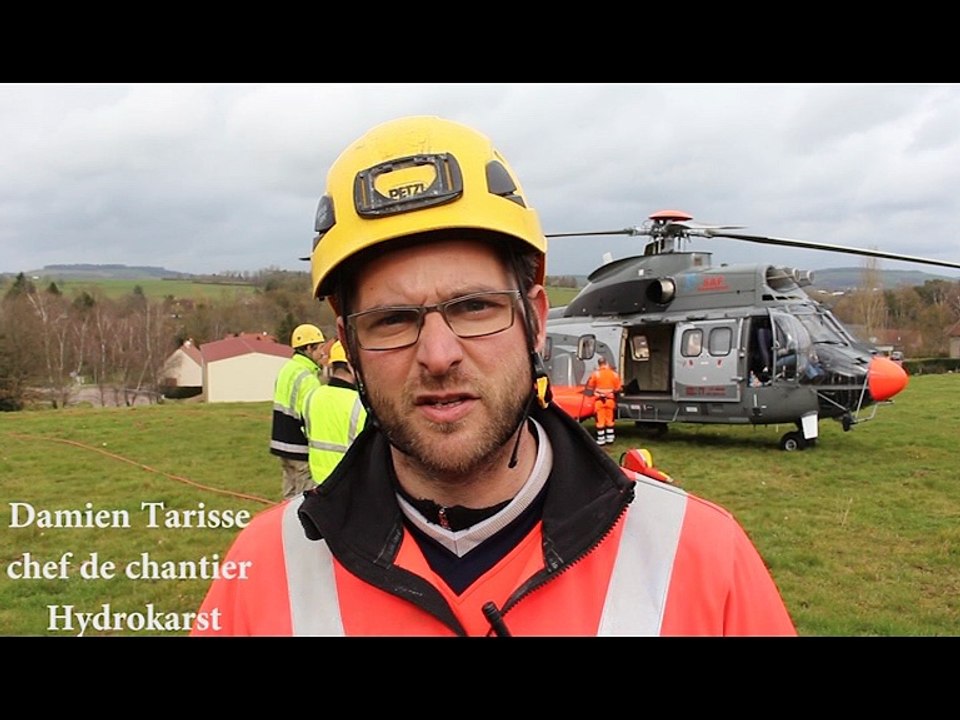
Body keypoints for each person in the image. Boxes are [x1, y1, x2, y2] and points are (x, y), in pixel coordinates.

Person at [192, 115, 796, 636]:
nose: (438, 355)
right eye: (392, 319)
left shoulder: (701, 560)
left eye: (475, 307)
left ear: (535, 322)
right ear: (348, 345)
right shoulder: (265, 572)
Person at [269, 323, 326, 500]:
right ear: (308, 348)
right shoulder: (308, 378)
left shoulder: (287, 369)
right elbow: (310, 418)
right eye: (320, 348)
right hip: (299, 446)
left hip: (281, 443)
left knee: (289, 495)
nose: (323, 353)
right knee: (303, 499)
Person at [303, 340, 367, 484]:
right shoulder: (359, 403)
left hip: (318, 481)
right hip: (349, 482)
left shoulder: (312, 396)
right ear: (351, 366)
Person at [584, 355, 623, 445]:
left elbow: (590, 387)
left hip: (599, 401)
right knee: (610, 420)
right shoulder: (614, 374)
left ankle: (601, 440)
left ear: (599, 364)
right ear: (606, 363)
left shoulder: (595, 374)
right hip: (610, 400)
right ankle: (610, 438)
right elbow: (618, 388)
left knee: (600, 421)